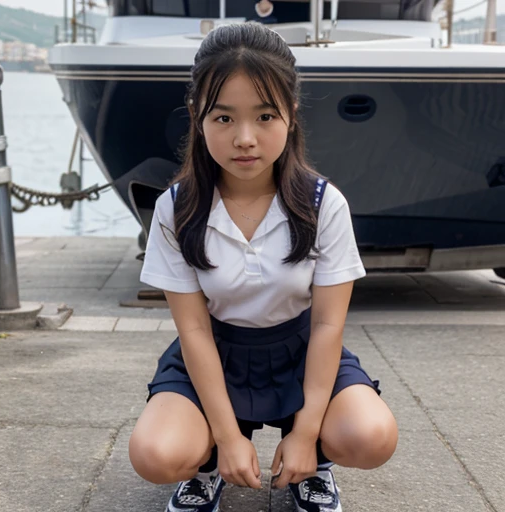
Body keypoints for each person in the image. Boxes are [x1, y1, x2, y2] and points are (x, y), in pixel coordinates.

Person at [129, 22, 398, 512]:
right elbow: (192, 330)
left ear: (291, 115)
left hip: (299, 349)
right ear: (197, 116)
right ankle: (206, 465)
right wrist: (228, 438)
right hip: (217, 349)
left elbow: (326, 324)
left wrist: (307, 434)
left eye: (265, 115)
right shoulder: (178, 206)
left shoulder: (322, 204)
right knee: (155, 454)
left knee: (372, 436)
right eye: (224, 118)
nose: (245, 139)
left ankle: (313, 463)